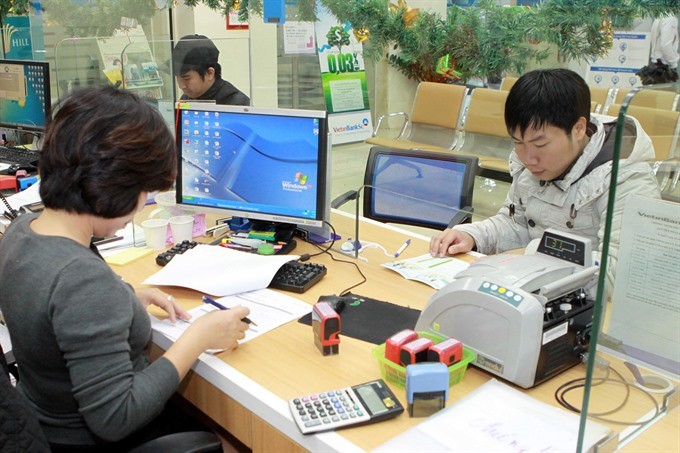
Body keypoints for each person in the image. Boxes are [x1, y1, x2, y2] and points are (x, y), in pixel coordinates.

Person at [0, 86, 251, 451]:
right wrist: (198, 338)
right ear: (113, 185)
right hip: (89, 439)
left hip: (45, 419)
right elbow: (116, 418)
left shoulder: (23, 231)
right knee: (236, 440)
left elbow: (51, 311)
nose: (140, 206)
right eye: (142, 194)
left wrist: (126, 297)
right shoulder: (81, 280)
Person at [430, 69, 660, 286]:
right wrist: (472, 235)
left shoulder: (626, 178)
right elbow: (516, 223)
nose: (529, 158)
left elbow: (622, 273)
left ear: (579, 129)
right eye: (518, 142)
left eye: (540, 144)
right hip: (533, 292)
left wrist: (530, 257)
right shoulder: (528, 161)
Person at [172, 34, 250, 105]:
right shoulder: (186, 98)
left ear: (210, 73)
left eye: (187, 78)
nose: (182, 86)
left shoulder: (236, 104)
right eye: (178, 78)